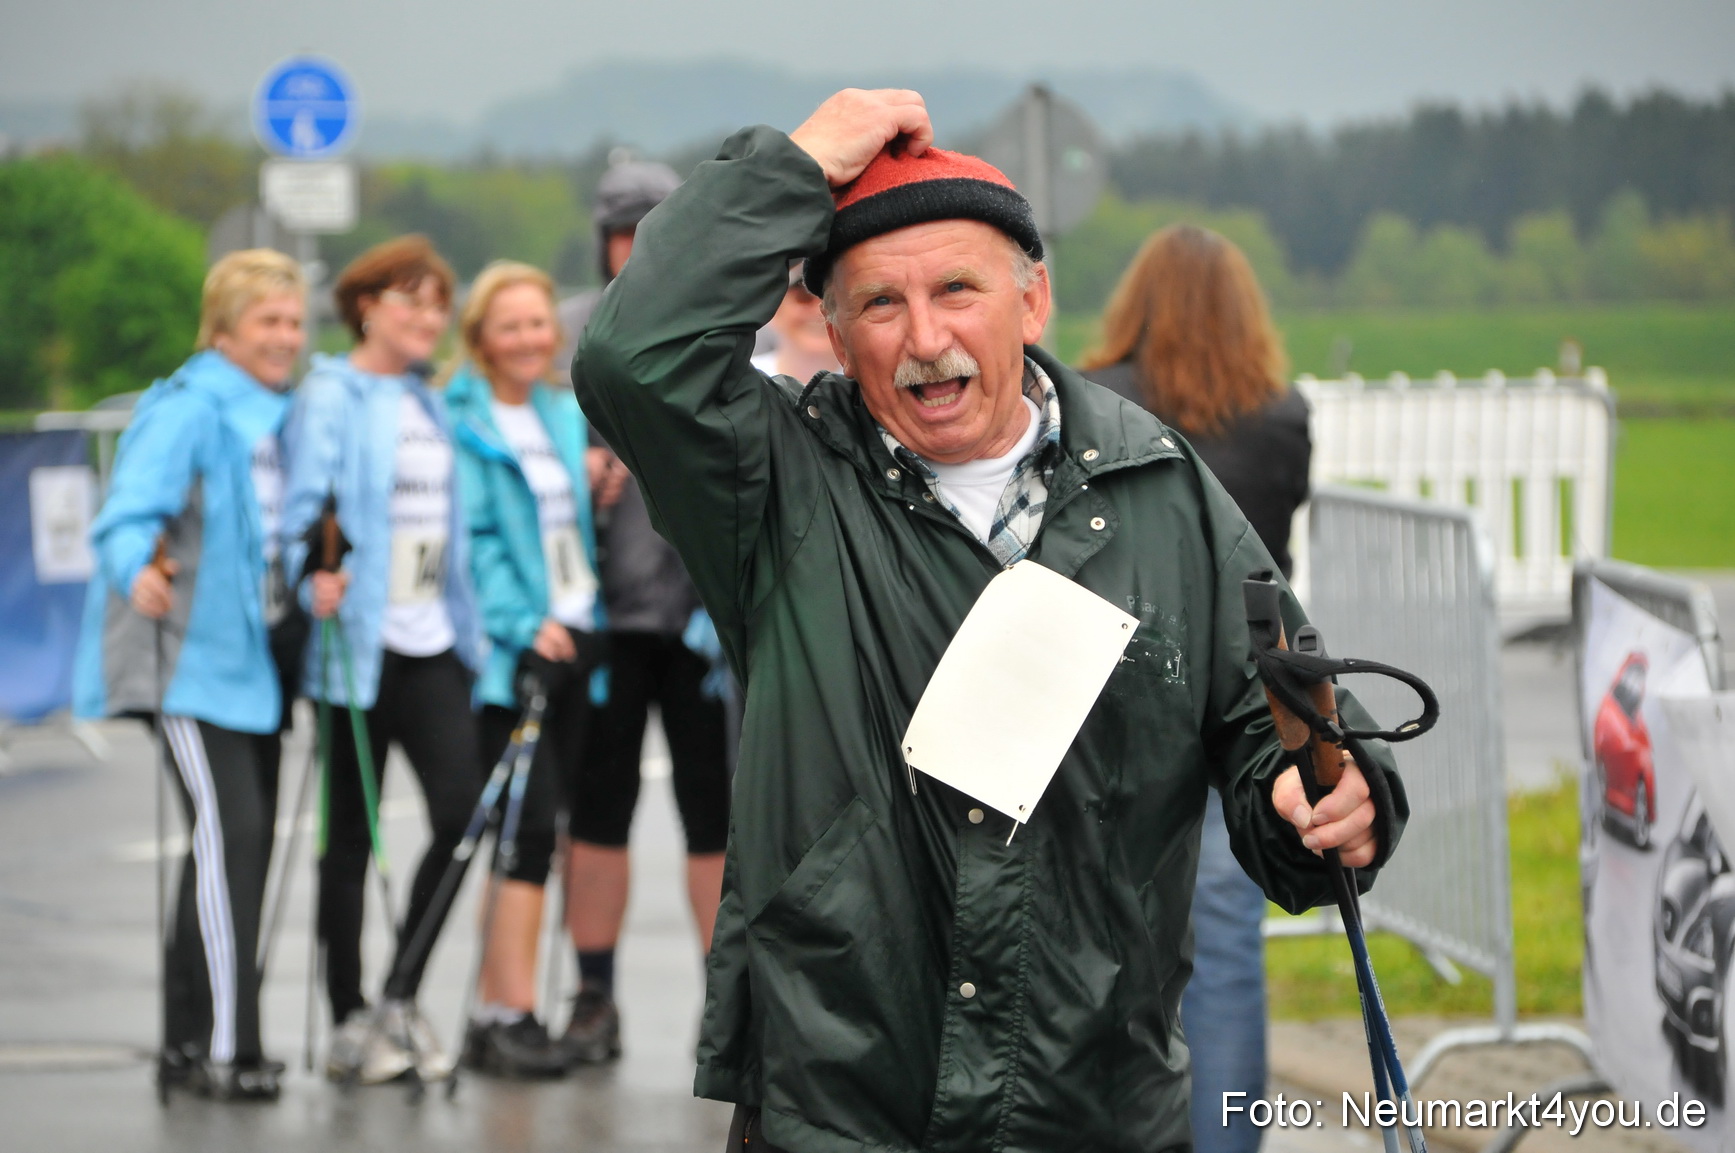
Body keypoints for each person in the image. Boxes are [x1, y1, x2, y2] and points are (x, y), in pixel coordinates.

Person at [572, 88, 1407, 1152]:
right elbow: (629, 357)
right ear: (830, 328)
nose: (926, 339)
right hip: (839, 1105)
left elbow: (1267, 715)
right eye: (879, 304)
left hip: (1088, 1104)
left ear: (1033, 300)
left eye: (957, 290)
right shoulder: (775, 484)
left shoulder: (1160, 488)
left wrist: (1334, 795)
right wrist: (794, 164)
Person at [1082, 224, 1312, 1153]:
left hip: (1118, 692)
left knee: (1104, 935)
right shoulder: (1282, 413)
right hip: (1247, 694)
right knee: (1224, 942)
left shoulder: (1099, 399)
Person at [74, 248, 307, 1101]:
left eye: (292, 320)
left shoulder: (278, 413)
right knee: (232, 840)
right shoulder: (190, 407)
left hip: (254, 666)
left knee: (223, 849)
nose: (285, 337)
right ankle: (227, 1045)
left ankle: (186, 1041)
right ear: (222, 329)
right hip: (187, 664)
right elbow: (125, 514)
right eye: (267, 322)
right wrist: (137, 563)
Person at [280, 234, 485, 1084]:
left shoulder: (429, 400)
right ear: (367, 306)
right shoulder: (331, 392)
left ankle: (398, 993)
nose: (430, 318)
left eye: (439, 303)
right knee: (349, 842)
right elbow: (302, 513)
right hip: (356, 644)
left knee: (461, 816)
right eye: (412, 301)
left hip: (433, 637)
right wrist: (312, 577)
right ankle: (345, 1011)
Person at [555, 157, 735, 1067]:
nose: (636, 248)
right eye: (623, 231)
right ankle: (593, 994)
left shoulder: (716, 329)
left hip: (703, 619)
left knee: (716, 819)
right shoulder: (570, 334)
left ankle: (723, 1006)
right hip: (606, 614)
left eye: (654, 229)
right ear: (603, 240)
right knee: (597, 814)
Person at [446, 261, 603, 1076]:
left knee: (545, 831)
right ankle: (506, 1010)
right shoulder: (461, 416)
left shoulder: (560, 410)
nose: (527, 339)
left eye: (538, 323)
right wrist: (517, 622)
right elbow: (470, 543)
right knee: (524, 829)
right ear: (479, 336)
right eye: (508, 325)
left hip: (578, 638)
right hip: (515, 656)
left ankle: (497, 1009)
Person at [750, 261, 842, 381]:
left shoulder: (868, 384)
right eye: (803, 298)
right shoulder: (740, 381)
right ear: (774, 309)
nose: (819, 311)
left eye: (832, 300)